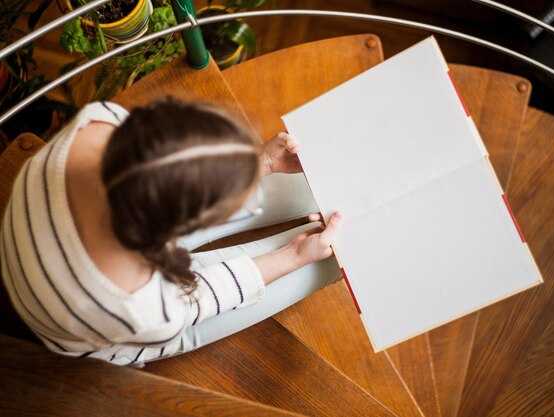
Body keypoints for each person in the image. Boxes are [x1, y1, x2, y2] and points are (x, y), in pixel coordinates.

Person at [0, 98, 343, 366]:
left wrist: (262, 162)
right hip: (116, 327)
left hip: (68, 255)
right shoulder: (140, 308)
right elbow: (204, 296)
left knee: (313, 186)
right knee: (334, 257)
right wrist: (294, 255)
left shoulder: (97, 125)